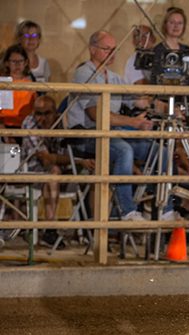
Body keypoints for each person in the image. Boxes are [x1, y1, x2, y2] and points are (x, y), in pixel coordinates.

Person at [67, 30, 179, 222]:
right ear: (92, 49)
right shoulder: (84, 73)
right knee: (124, 150)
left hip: (112, 134)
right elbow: (96, 114)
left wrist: (168, 108)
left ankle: (165, 209)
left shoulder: (114, 76)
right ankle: (127, 211)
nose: (111, 54)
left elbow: (139, 100)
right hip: (86, 135)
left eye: (114, 50)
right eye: (106, 49)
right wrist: (134, 122)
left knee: (161, 152)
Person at [20, 96, 95, 246]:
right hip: (33, 171)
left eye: (46, 113)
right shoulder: (30, 123)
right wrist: (78, 160)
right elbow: (45, 159)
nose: (41, 118)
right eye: (38, 113)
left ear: (54, 112)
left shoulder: (60, 122)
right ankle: (50, 229)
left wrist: (78, 161)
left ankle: (92, 227)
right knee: (53, 172)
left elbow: (63, 152)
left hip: (62, 168)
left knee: (93, 173)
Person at [150, 7, 189, 86]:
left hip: (184, 95)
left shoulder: (187, 50)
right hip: (163, 96)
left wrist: (185, 80)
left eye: (180, 23)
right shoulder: (158, 50)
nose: (176, 26)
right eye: (172, 22)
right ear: (165, 25)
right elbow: (154, 78)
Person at [0, 44, 37, 142]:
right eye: (14, 61)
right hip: (4, 127)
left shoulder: (30, 83)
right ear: (7, 63)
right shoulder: (2, 82)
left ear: (25, 63)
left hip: (25, 128)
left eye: (20, 61)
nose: (17, 65)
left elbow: (34, 109)